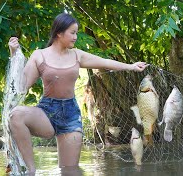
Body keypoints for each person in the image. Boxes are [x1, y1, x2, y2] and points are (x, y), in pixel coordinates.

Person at [8, 13, 148, 174]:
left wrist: (131, 66)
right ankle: (30, 171)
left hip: (70, 116)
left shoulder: (77, 55)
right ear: (59, 33)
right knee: (16, 115)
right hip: (46, 113)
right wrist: (14, 55)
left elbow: (106, 62)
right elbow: (21, 86)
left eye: (76, 32)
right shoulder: (39, 55)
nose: (75, 37)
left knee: (70, 171)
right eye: (72, 32)